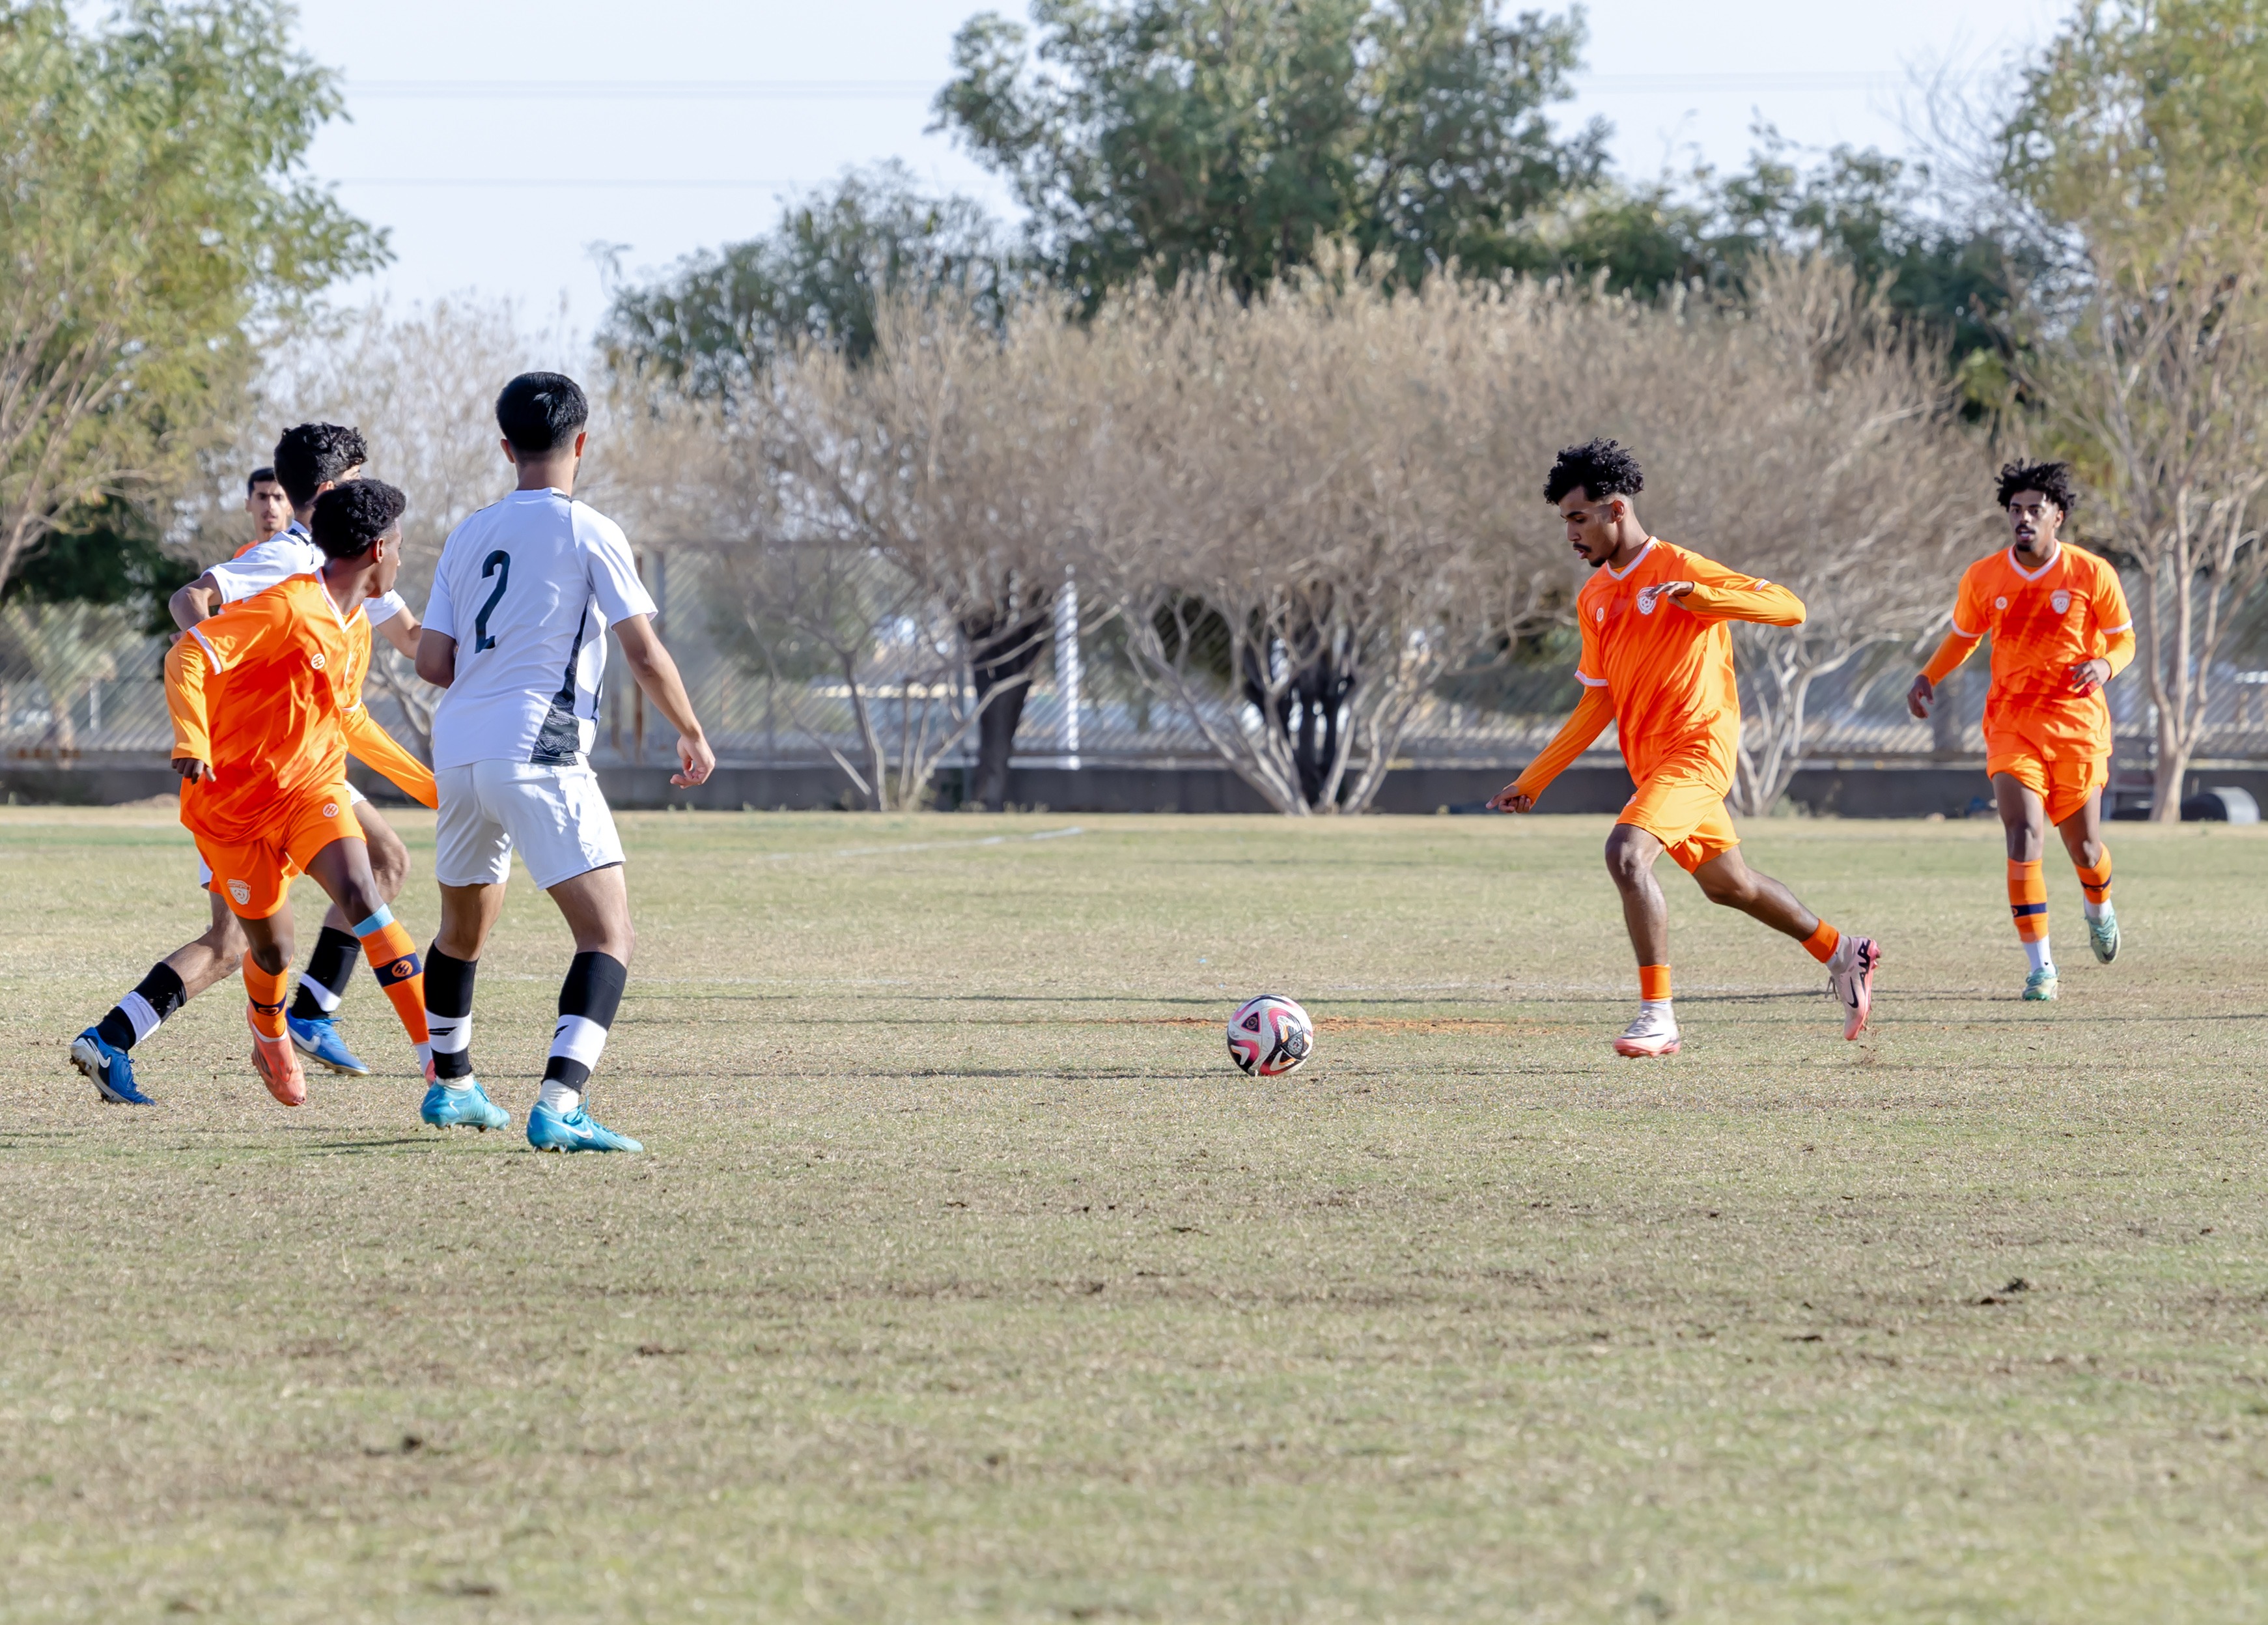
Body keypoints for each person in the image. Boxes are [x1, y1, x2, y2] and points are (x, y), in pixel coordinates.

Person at [1488, 438, 1881, 1056]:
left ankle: (1658, 1015)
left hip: (1698, 752)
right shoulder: (1592, 599)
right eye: (1564, 520)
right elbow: (1597, 702)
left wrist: (1703, 599)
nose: (1569, 533)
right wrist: (1534, 778)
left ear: (1616, 509)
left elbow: (1789, 608)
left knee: (1625, 854)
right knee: (1730, 886)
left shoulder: (1680, 567)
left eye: (1577, 517)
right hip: (1651, 766)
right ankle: (1841, 950)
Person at [70, 432, 429, 1103]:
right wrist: (206, 724)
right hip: (247, 772)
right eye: (357, 477)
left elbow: (409, 640)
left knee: (381, 865)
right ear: (329, 492)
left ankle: (314, 1012)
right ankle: (132, 1033)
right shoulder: (283, 563)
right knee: (239, 943)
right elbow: (191, 609)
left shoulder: (351, 566)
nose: (365, 490)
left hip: (308, 755)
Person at [414, 371, 714, 1151]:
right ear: (581, 442)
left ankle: (453, 1088)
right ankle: (561, 1101)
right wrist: (689, 727)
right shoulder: (589, 529)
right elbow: (643, 651)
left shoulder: (467, 531)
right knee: (608, 934)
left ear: (506, 446)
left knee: (459, 933)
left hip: (459, 749)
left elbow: (436, 663)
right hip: (538, 746)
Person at [160, 480, 439, 1106]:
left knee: (366, 891)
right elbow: (188, 658)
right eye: (398, 547)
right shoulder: (288, 607)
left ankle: (442, 1067)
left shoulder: (357, 627)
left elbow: (351, 720)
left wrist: (431, 788)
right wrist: (195, 740)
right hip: (234, 807)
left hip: (312, 791)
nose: (401, 559)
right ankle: (268, 1023)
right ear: (376, 550)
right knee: (272, 946)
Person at [1907, 460, 2133, 1000]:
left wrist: (2104, 666)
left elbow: (2123, 641)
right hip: (2012, 725)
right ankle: (2042, 968)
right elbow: (1963, 636)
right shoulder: (1983, 576)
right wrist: (1926, 675)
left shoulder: (2091, 572)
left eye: (2035, 509)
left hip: (2077, 728)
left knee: (2083, 849)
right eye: (2015, 510)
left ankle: (2098, 904)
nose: (2023, 518)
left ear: (2056, 515)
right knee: (2023, 832)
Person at [244, 465, 292, 545]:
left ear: (290, 506)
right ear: (248, 504)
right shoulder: (243, 555)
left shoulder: (304, 554)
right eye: (262, 497)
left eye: (278, 498)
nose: (270, 506)